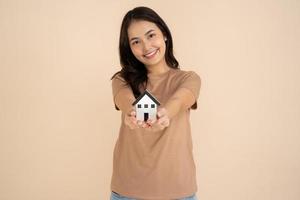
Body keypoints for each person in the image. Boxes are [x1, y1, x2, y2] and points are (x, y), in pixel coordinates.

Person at [110, 6, 201, 200]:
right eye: (136, 41)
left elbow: (181, 98)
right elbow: (126, 100)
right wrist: (132, 112)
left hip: (179, 191)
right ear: (129, 48)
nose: (146, 46)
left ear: (164, 34)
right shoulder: (121, 80)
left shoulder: (188, 79)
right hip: (128, 191)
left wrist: (166, 112)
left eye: (151, 35)